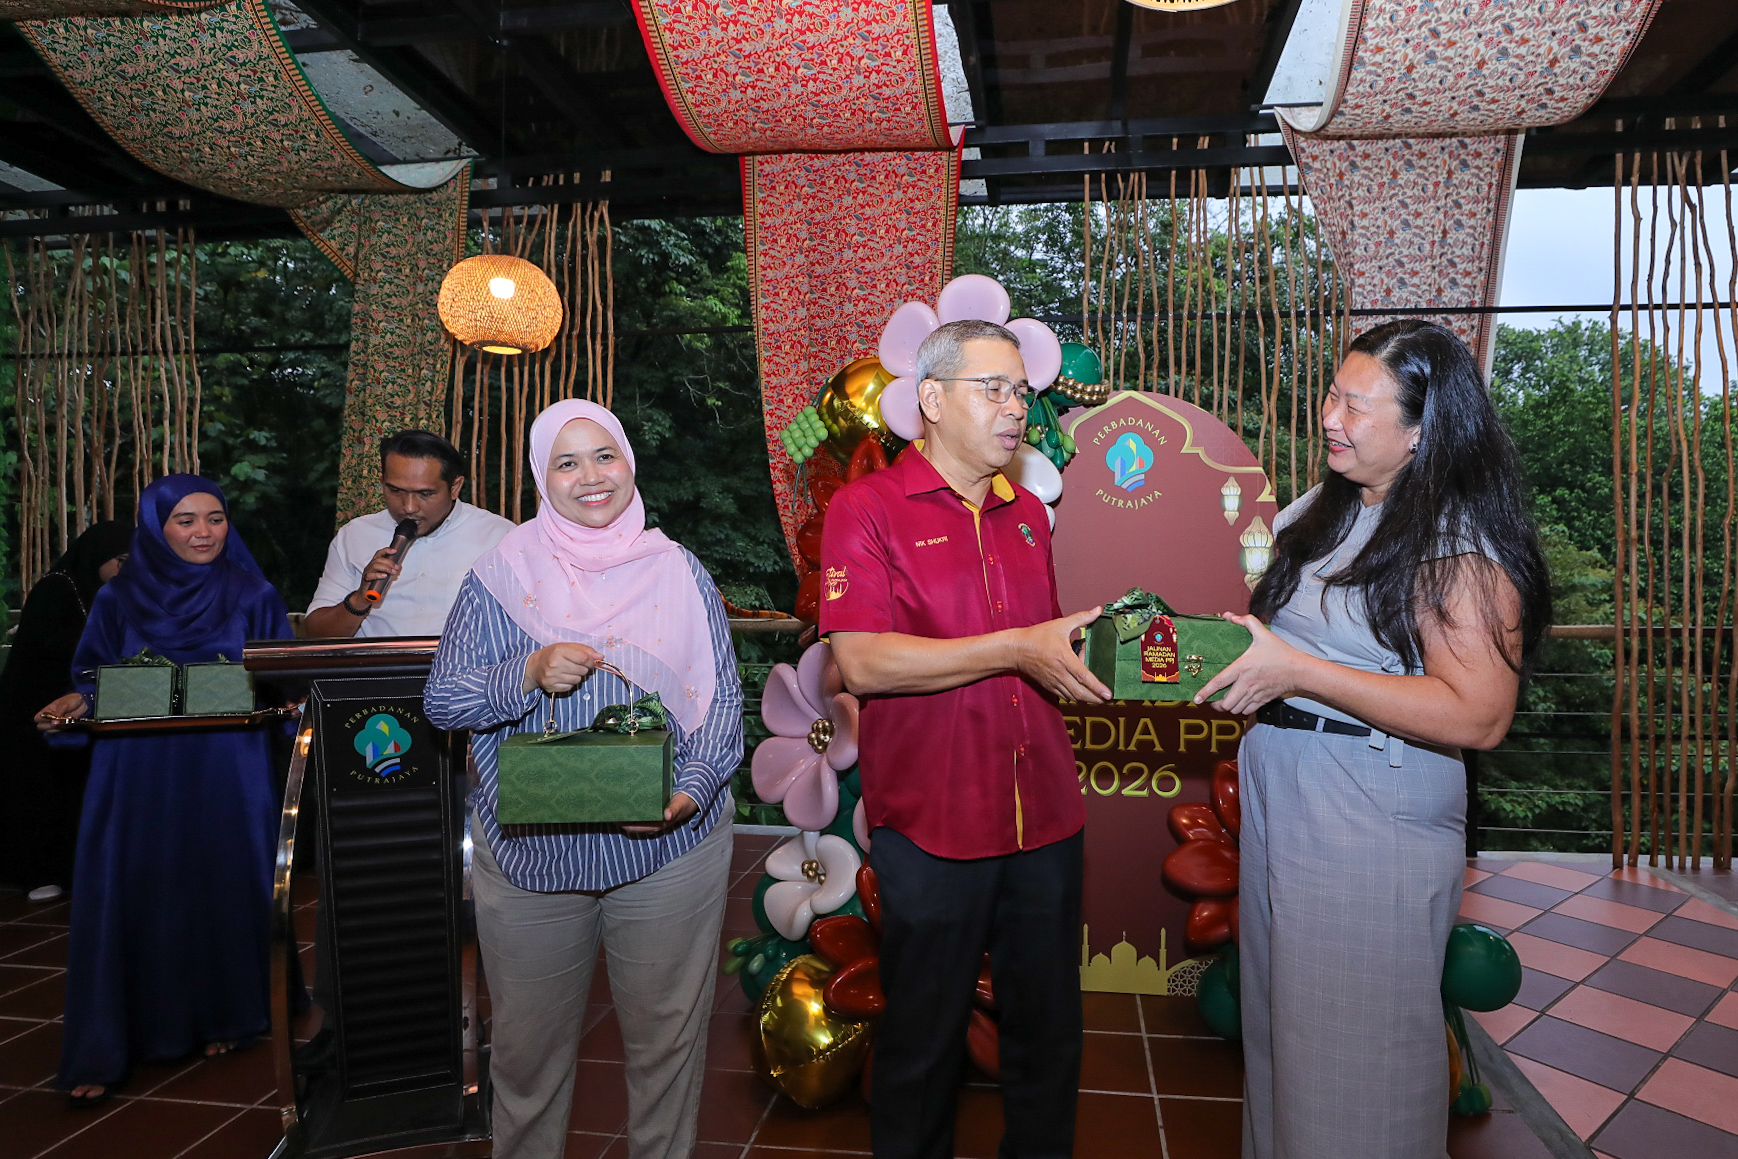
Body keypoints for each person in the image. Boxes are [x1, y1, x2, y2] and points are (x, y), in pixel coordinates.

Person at [1196, 319, 1551, 1159]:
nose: (1331, 418)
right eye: (1333, 395)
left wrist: (1297, 672)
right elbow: (1298, 647)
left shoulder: (1457, 542)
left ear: (1423, 431)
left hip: (1367, 810)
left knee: (1357, 1060)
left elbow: (1479, 714)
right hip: (1288, 795)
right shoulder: (1320, 510)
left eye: (1357, 406)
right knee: (1283, 1041)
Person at [820, 319, 1111, 1159]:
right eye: (994, 389)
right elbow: (862, 662)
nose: (1016, 407)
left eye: (1021, 390)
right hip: (933, 824)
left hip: (1045, 818)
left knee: (1048, 1039)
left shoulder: (1026, 517)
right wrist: (1016, 647)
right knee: (922, 1045)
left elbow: (1042, 653)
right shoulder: (866, 508)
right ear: (932, 398)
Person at [424, 399, 743, 1159]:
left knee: (667, 1049)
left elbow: (724, 704)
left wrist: (689, 793)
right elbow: (442, 701)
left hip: (670, 852)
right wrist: (526, 671)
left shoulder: (678, 569)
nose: (591, 476)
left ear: (629, 462)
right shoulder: (500, 576)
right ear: (542, 478)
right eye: (566, 462)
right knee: (527, 1059)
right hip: (533, 856)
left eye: (604, 455)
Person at [36, 475, 295, 1107]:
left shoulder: (253, 592)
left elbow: (283, 675)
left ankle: (227, 1014)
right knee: (136, 886)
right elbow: (93, 675)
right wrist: (76, 702)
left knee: (223, 882)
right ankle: (113, 1037)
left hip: (226, 769)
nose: (204, 533)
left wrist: (289, 705)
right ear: (155, 528)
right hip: (136, 772)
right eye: (185, 520)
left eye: (215, 518)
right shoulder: (117, 596)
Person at [0, 519, 133, 903]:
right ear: (97, 556)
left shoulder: (110, 593)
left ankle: (75, 870)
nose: (127, 570)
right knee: (41, 795)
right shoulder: (58, 587)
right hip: (36, 707)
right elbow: (45, 646)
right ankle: (38, 873)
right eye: (121, 561)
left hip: (81, 708)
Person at [304, 429, 514, 639]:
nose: (409, 507)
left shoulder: (501, 538)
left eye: (425, 494)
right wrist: (360, 599)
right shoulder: (354, 536)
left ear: (455, 487)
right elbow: (316, 635)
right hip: (376, 661)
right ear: (382, 481)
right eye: (396, 491)